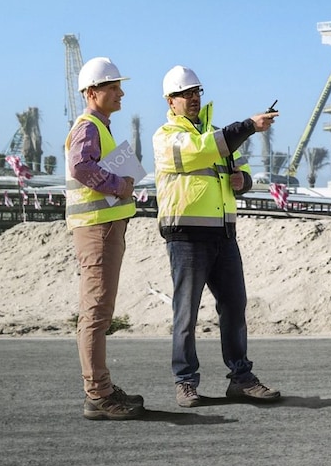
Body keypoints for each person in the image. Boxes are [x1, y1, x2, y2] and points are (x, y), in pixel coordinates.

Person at [153, 65, 282, 408]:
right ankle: (185, 382)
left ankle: (241, 378)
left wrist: (244, 181)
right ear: (171, 100)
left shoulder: (214, 135)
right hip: (186, 235)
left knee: (234, 307)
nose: (193, 98)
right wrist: (250, 126)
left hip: (223, 233)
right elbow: (203, 149)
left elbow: (242, 169)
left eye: (197, 92)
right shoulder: (168, 137)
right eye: (185, 94)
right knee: (186, 313)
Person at [67, 57, 145, 419]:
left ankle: (102, 388)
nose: (121, 93)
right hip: (97, 230)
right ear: (92, 92)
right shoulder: (89, 127)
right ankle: (98, 394)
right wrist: (119, 184)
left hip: (106, 227)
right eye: (113, 88)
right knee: (96, 312)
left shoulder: (99, 126)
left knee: (99, 311)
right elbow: (81, 167)